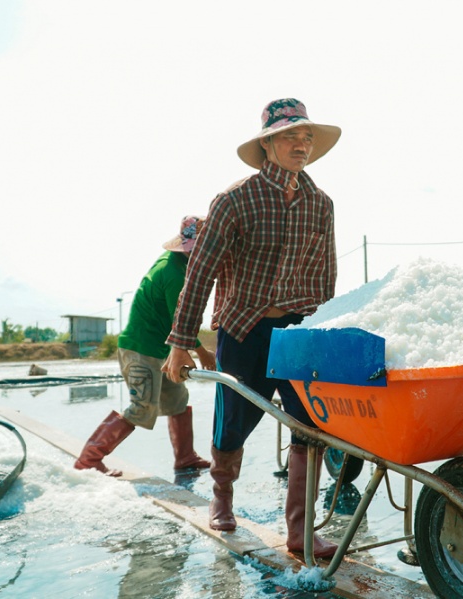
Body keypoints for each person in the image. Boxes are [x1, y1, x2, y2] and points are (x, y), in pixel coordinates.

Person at [162, 99, 341, 558]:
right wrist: (181, 344)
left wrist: (327, 330)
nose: (301, 144)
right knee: (233, 422)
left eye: (306, 138)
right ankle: (222, 496)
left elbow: (325, 276)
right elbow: (200, 274)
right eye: (289, 136)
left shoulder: (321, 204)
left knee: (312, 422)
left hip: (297, 333)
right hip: (243, 329)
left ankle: (300, 531)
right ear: (267, 143)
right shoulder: (234, 200)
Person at [74, 216, 216, 477]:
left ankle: (185, 457)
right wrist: (203, 352)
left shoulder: (174, 263)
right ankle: (90, 459)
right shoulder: (174, 274)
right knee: (142, 406)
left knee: (177, 400)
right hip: (142, 350)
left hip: (162, 349)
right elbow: (181, 321)